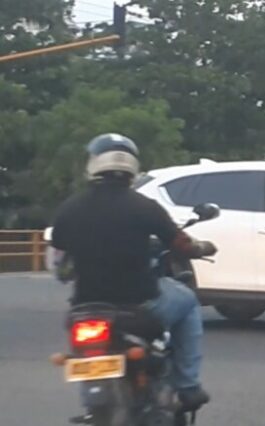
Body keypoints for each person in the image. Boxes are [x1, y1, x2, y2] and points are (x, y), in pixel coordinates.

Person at [51, 134, 214, 409]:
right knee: (186, 301)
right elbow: (181, 245)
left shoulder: (69, 209)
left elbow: (59, 267)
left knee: (84, 356)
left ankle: (93, 405)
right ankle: (188, 385)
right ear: (132, 166)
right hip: (140, 305)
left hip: (85, 310)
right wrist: (202, 247)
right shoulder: (143, 206)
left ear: (93, 164)